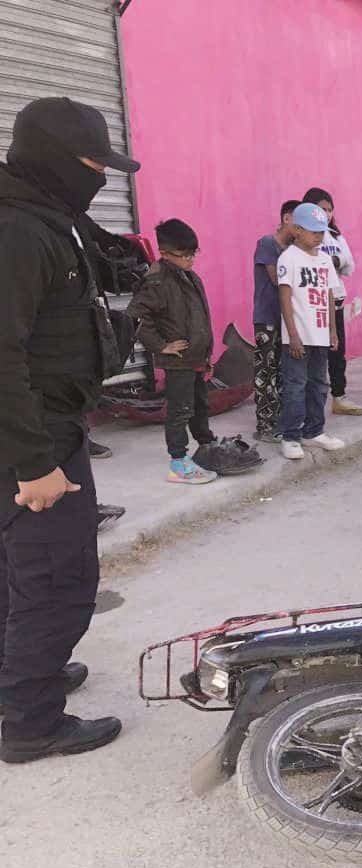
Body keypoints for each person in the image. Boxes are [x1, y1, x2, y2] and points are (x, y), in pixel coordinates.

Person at [0, 96, 139, 762]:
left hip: (42, 425)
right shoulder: (19, 230)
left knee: (18, 572)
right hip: (34, 435)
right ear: (56, 158)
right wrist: (33, 462)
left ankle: (22, 682)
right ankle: (30, 723)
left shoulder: (47, 217)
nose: (101, 177)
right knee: (58, 578)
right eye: (91, 162)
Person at [127, 218, 218, 485]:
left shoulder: (190, 276)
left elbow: (202, 319)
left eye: (194, 253)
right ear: (165, 253)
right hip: (177, 361)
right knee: (180, 410)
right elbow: (136, 316)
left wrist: (207, 356)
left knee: (200, 405)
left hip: (196, 359)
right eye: (185, 255)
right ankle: (178, 462)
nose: (191, 259)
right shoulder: (157, 282)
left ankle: (206, 447)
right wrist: (161, 346)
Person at [276, 202, 345, 461]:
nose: (319, 236)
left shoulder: (325, 259)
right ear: (296, 229)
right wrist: (292, 334)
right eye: (313, 231)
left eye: (321, 231)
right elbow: (285, 298)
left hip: (320, 335)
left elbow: (329, 296)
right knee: (295, 385)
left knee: (319, 384)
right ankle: (291, 436)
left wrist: (333, 330)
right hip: (297, 336)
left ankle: (314, 431)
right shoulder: (288, 258)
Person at [302, 187, 362, 416]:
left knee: (338, 352)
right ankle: (312, 402)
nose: (326, 214)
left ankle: (339, 396)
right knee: (315, 355)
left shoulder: (336, 236)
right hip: (314, 302)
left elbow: (350, 265)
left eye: (329, 210)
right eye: (321, 209)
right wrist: (333, 261)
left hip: (335, 298)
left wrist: (336, 260)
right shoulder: (304, 236)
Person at [252, 200, 298, 443]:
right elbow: (277, 280)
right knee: (265, 371)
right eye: (299, 223)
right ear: (287, 218)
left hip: (285, 319)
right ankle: (264, 425)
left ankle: (280, 421)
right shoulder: (268, 243)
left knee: (282, 371)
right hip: (267, 318)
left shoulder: (293, 251)